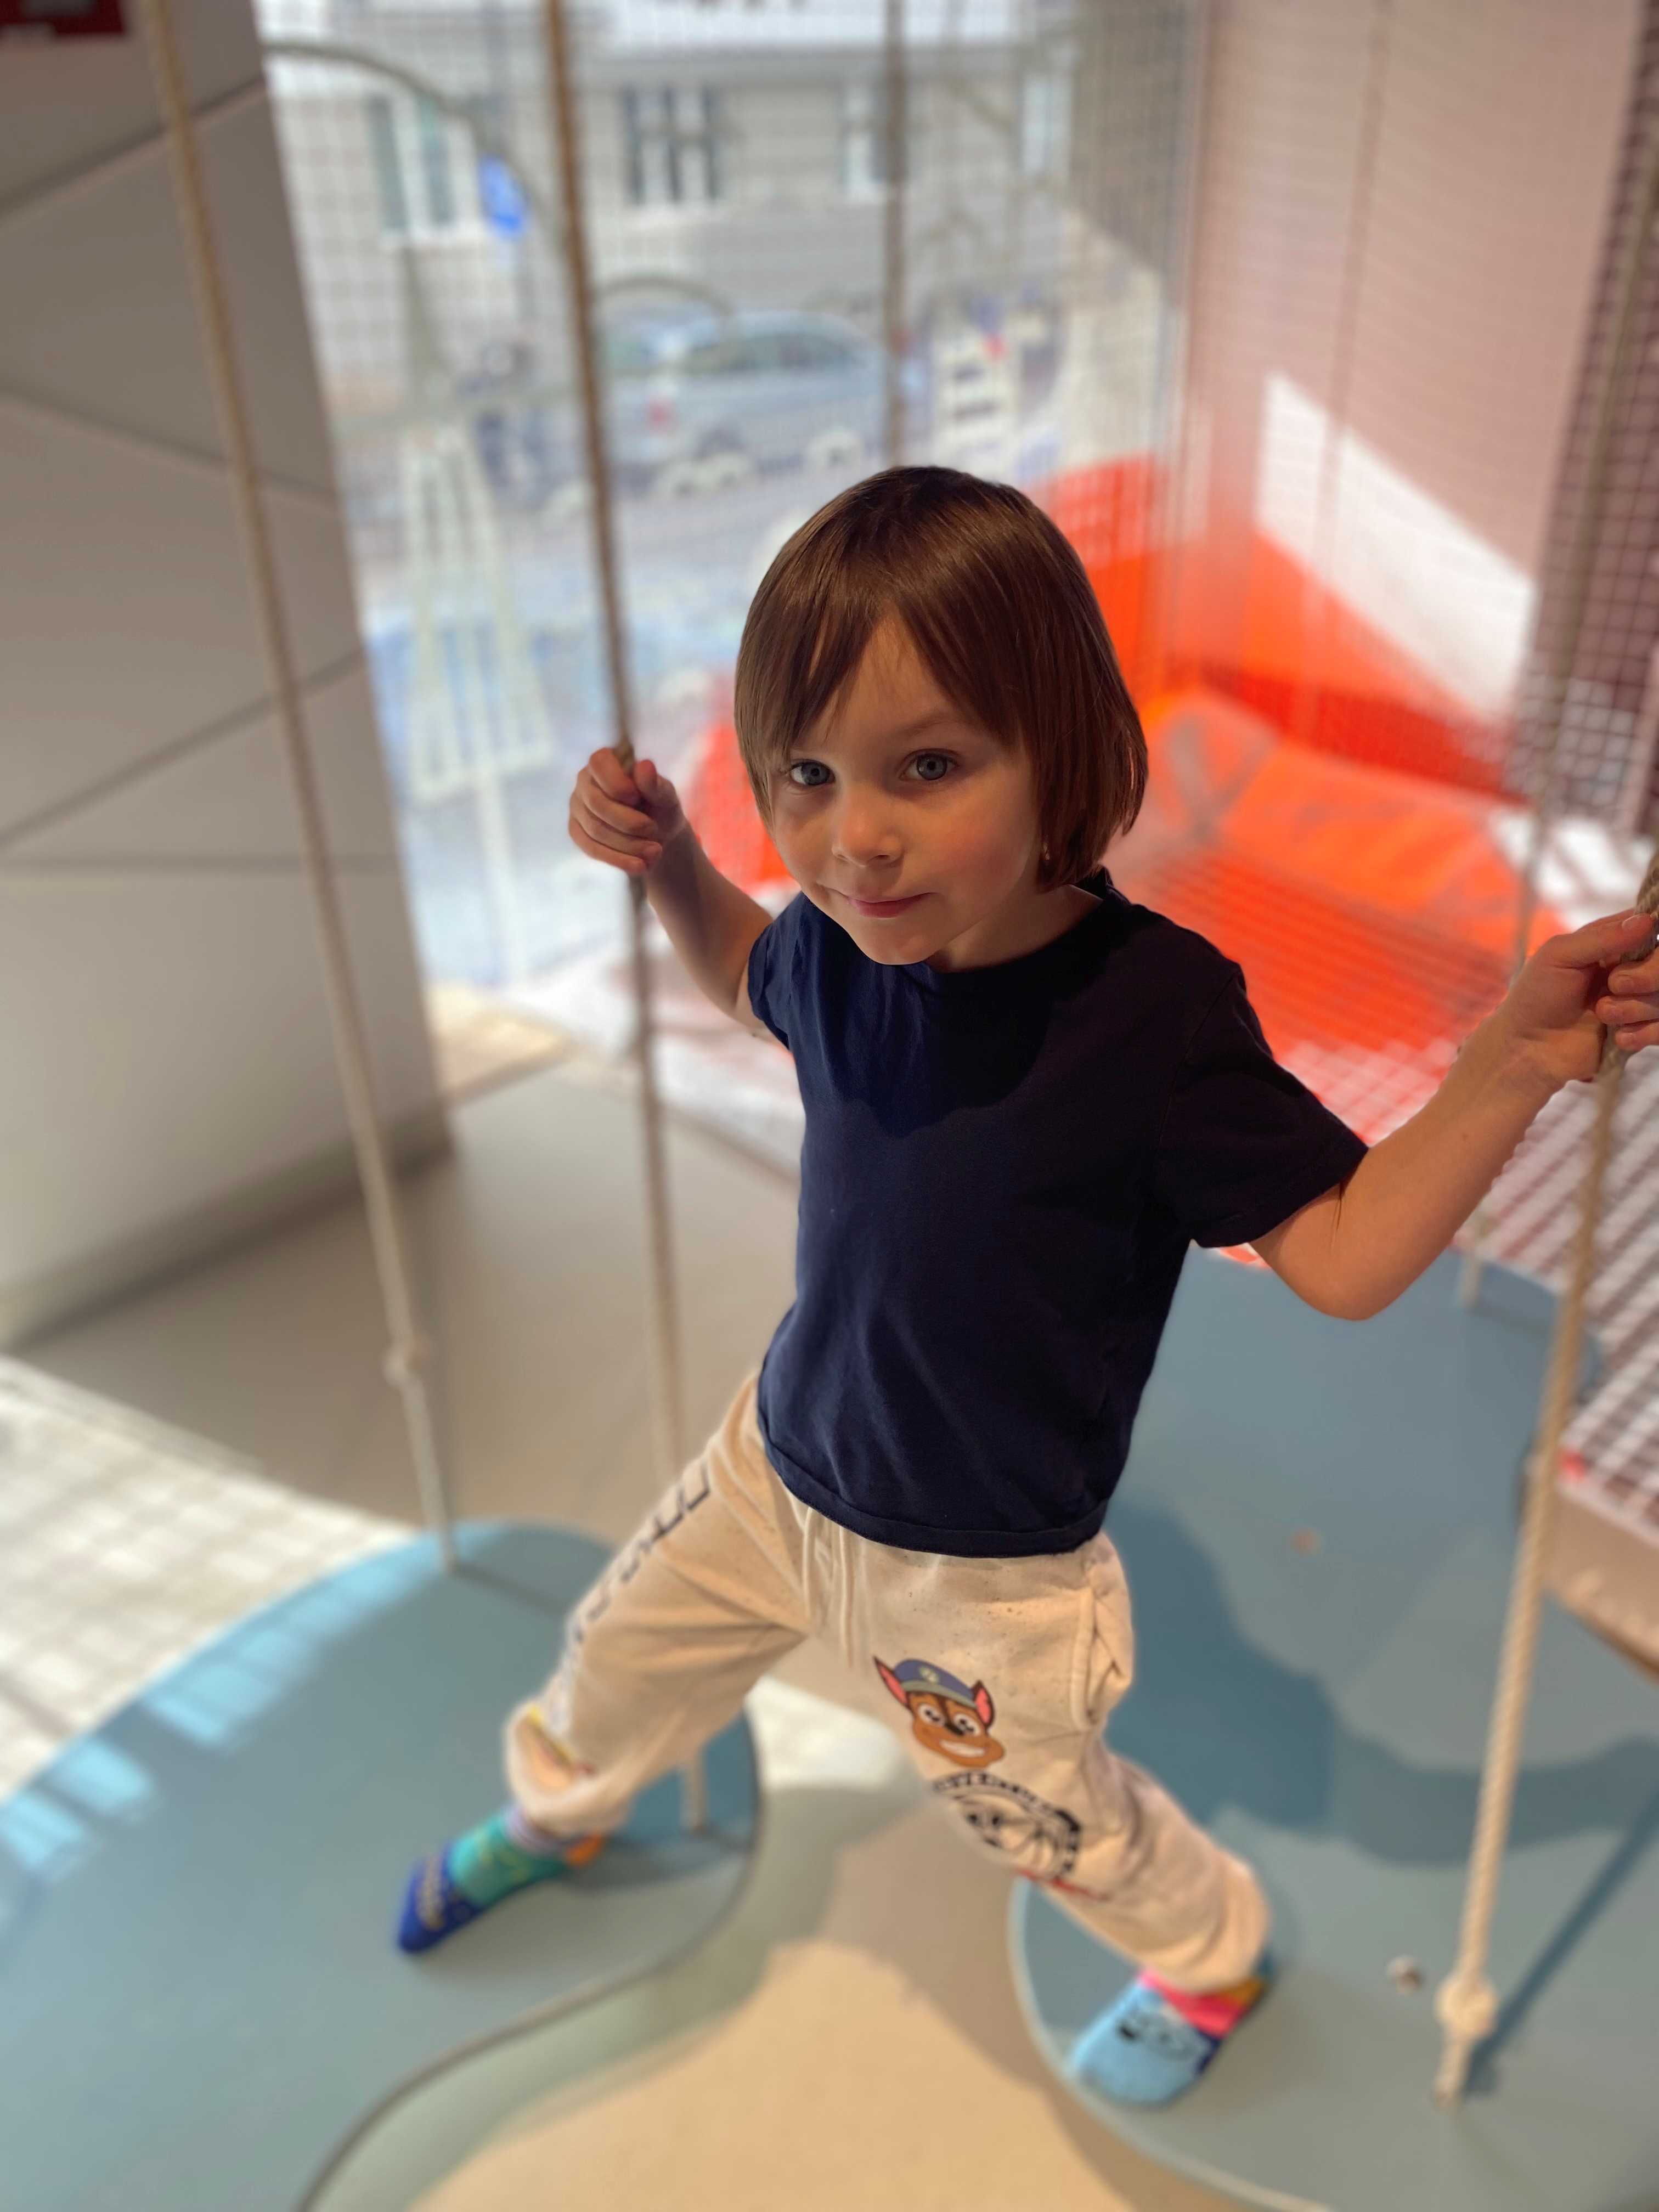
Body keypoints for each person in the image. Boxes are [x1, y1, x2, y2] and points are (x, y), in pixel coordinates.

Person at [394, 467, 1659, 2107]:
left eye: (928, 767)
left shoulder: (1153, 1016)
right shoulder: (841, 945)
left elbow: (1345, 1255)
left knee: (1042, 1822)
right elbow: (745, 975)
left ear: (1058, 752)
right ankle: (560, 1809)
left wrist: (1512, 1060)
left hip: (978, 1581)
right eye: (808, 774)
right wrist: (675, 866)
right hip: (773, 1469)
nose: (855, 836)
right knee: (614, 1655)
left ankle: (1210, 1956)